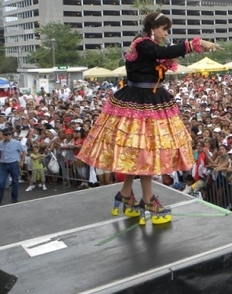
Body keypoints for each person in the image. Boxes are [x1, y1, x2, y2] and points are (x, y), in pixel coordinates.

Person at [77, 11, 221, 224]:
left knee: (141, 151)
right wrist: (194, 44)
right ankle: (147, 200)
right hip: (141, 102)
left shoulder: (146, 46)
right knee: (146, 151)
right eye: (164, 29)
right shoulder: (142, 43)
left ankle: (126, 194)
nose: (166, 33)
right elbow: (163, 51)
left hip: (146, 99)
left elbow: (163, 54)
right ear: (153, 28)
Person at [0, 127, 27, 205]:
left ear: (11, 135)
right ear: (3, 135)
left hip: (13, 163)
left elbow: (24, 151)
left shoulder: (16, 143)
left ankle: (14, 198)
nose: (8, 136)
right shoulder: (1, 144)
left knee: (15, 181)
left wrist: (22, 161)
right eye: (6, 135)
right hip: (3, 164)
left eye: (9, 134)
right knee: (1, 183)